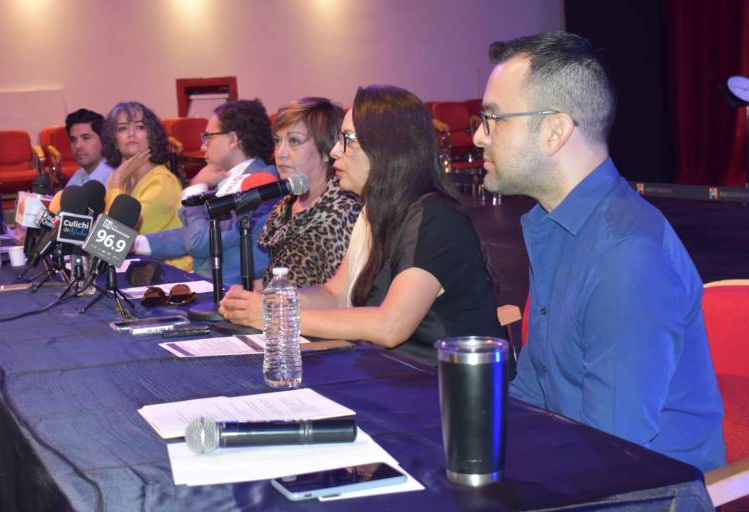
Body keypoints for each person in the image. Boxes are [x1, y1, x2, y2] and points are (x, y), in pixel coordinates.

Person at [472, 31, 725, 472]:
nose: (478, 136)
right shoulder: (555, 228)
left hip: (648, 491)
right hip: (576, 465)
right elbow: (533, 394)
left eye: (494, 119)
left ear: (554, 131)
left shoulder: (627, 254)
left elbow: (612, 453)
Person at [219, 85, 504, 365]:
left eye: (347, 139)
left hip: (446, 390)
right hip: (396, 377)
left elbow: (389, 327)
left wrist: (278, 315)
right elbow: (335, 294)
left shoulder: (436, 218)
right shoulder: (373, 211)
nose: (334, 151)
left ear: (386, 147)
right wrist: (270, 301)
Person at [137, 100, 277, 286]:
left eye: (208, 137)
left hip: (234, 294)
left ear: (232, 140)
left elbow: (200, 242)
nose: (203, 146)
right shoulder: (227, 179)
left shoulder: (261, 183)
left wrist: (196, 187)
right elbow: (190, 235)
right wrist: (134, 244)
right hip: (212, 286)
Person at [259, 97, 361, 287]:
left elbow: (342, 300)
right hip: (281, 311)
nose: (280, 153)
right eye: (277, 141)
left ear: (326, 150)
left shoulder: (344, 211)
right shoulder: (286, 205)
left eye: (294, 141)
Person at [102, 101, 190, 271]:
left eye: (140, 127)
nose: (131, 133)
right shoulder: (122, 180)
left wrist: (117, 182)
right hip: (135, 270)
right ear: (114, 140)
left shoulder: (162, 182)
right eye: (122, 128)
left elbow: (115, 240)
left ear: (152, 135)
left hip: (169, 276)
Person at [64, 109, 113, 188]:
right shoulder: (80, 174)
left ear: (103, 140)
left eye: (86, 138)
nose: (77, 146)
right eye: (73, 140)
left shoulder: (113, 178)